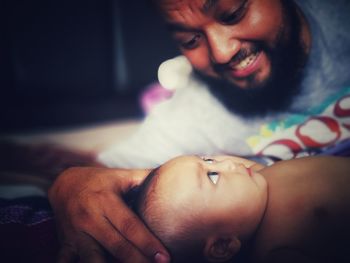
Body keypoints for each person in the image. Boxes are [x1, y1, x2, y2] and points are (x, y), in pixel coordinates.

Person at [48, 0, 350, 262]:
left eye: (233, 13)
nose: (221, 52)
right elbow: (100, 178)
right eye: (191, 40)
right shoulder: (189, 117)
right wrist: (69, 183)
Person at [132, 155, 350, 263]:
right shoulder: (275, 252)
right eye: (213, 177)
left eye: (208, 160)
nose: (226, 164)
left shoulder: (255, 177)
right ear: (223, 246)